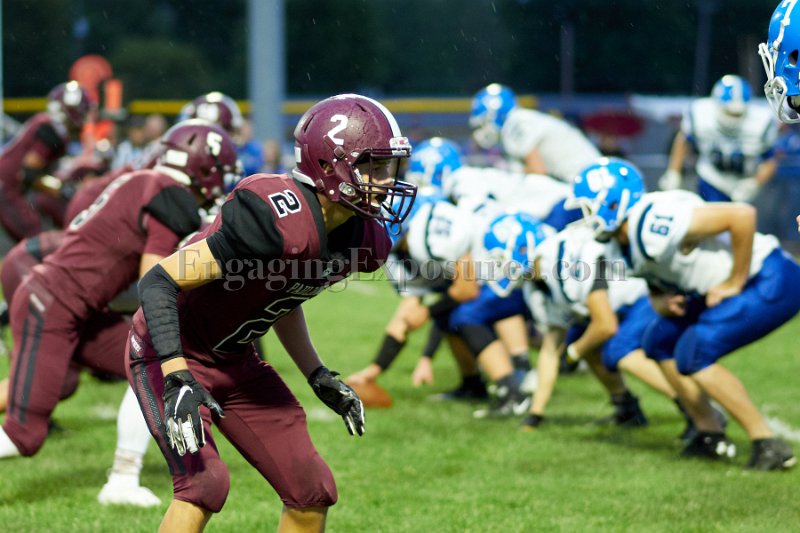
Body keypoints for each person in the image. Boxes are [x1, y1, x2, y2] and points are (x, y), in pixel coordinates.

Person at [127, 94, 415, 531]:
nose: (385, 180)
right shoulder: (273, 215)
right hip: (170, 349)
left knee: (310, 489)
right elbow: (158, 281)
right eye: (373, 167)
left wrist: (316, 373)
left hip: (235, 359)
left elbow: (283, 297)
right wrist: (177, 375)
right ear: (330, 164)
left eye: (388, 167)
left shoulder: (362, 239)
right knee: (205, 484)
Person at [0, 119, 239, 480]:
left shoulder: (142, 180)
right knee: (24, 435)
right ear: (203, 168)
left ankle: (123, 479)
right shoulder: (169, 196)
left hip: (77, 308)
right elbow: (154, 284)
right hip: (52, 303)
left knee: (147, 359)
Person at [571, 157, 800, 470]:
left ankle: (768, 443)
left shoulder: (652, 220)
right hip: (722, 287)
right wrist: (660, 301)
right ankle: (709, 432)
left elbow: (741, 215)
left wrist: (735, 281)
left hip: (770, 277)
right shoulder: (618, 245)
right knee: (659, 340)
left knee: (694, 350)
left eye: (588, 208)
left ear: (612, 203)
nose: (585, 218)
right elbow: (656, 280)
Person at [659, 75, 778, 203]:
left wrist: (755, 182)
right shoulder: (701, 113)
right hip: (711, 177)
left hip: (743, 181)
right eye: (729, 112)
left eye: (737, 114)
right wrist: (673, 172)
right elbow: (683, 140)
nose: (733, 118)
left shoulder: (762, 122)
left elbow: (771, 159)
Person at [0, 81, 93, 241]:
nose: (84, 117)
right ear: (71, 110)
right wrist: (61, 188)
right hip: (6, 188)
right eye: (82, 111)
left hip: (8, 187)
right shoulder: (52, 130)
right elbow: (29, 172)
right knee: (38, 241)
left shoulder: (47, 124)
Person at [468, 83, 600, 181]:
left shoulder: (516, 123)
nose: (481, 130)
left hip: (585, 180)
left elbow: (538, 172)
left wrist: (509, 174)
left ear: (495, 115)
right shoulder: (522, 119)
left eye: (483, 123)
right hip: (587, 176)